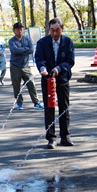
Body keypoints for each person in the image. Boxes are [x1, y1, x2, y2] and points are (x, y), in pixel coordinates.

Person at [35, 18, 75, 149]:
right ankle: (51, 138)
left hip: (62, 78)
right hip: (47, 79)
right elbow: (39, 58)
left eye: (57, 30)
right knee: (49, 108)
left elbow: (70, 61)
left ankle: (65, 136)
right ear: (49, 30)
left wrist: (59, 68)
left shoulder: (68, 42)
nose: (55, 33)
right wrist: (42, 68)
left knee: (64, 108)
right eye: (52, 30)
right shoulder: (42, 42)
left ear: (62, 29)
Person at [9, 22, 44, 110]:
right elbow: (15, 50)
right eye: (17, 29)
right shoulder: (12, 41)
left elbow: (31, 50)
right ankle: (19, 103)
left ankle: (36, 102)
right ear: (14, 31)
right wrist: (25, 49)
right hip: (15, 66)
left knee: (31, 83)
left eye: (21, 29)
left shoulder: (27, 39)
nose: (20, 31)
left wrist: (21, 50)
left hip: (26, 66)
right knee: (16, 86)